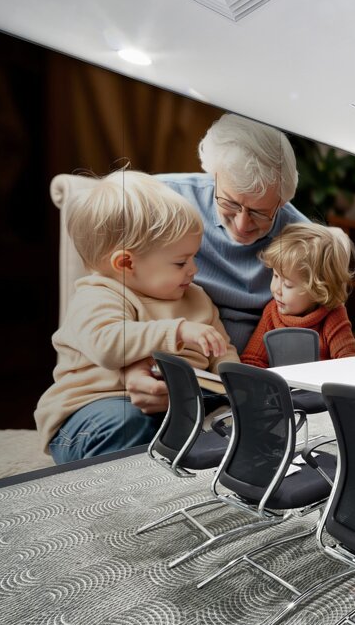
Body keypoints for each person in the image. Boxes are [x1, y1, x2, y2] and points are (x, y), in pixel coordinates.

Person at [35, 171, 239, 463]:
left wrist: (234, 380)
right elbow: (108, 344)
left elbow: (222, 348)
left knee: (226, 420)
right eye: (181, 262)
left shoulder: (196, 298)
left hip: (179, 407)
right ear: (126, 263)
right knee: (128, 423)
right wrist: (178, 332)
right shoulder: (99, 294)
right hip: (93, 410)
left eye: (194, 257)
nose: (193, 269)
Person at [125, 113, 308, 413]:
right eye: (230, 203)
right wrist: (130, 367)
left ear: (283, 201)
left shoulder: (299, 237)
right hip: (166, 367)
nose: (242, 224)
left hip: (249, 383)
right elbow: (109, 284)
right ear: (214, 176)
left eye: (261, 213)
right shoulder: (165, 199)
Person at [241, 223, 355, 367]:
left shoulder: (333, 315)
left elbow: (348, 364)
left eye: (288, 284)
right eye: (276, 276)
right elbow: (252, 360)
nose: (276, 289)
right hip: (280, 388)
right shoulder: (271, 312)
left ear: (318, 290)